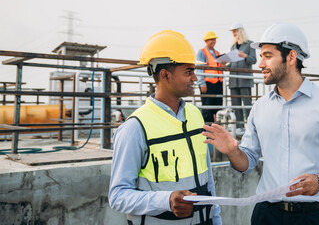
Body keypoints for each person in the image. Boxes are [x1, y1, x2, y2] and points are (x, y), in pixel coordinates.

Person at [202, 23, 319, 225]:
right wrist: (232, 151)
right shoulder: (260, 107)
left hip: (312, 217)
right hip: (266, 214)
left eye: (267, 56)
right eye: (261, 57)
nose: (260, 64)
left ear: (291, 57)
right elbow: (247, 161)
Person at [109, 30, 221, 225]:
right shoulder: (135, 128)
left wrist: (216, 220)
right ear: (165, 75)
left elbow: (207, 181)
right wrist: (166, 201)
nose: (195, 78)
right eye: (188, 71)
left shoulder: (196, 115)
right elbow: (118, 196)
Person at [227, 22, 257, 136]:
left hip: (244, 79)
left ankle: (250, 127)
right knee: (236, 105)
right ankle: (239, 127)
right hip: (234, 79)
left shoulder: (250, 44)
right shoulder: (233, 46)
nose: (234, 34)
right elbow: (232, 64)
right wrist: (226, 65)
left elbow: (253, 60)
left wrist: (245, 56)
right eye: (232, 32)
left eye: (235, 31)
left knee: (247, 104)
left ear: (240, 31)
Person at [196, 31, 225, 123]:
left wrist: (224, 64)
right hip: (207, 84)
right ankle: (207, 129)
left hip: (218, 83)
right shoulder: (202, 52)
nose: (213, 41)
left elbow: (220, 68)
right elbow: (199, 68)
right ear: (206, 41)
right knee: (207, 108)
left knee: (218, 107)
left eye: (214, 39)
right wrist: (201, 83)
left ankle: (217, 128)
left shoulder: (217, 53)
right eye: (211, 39)